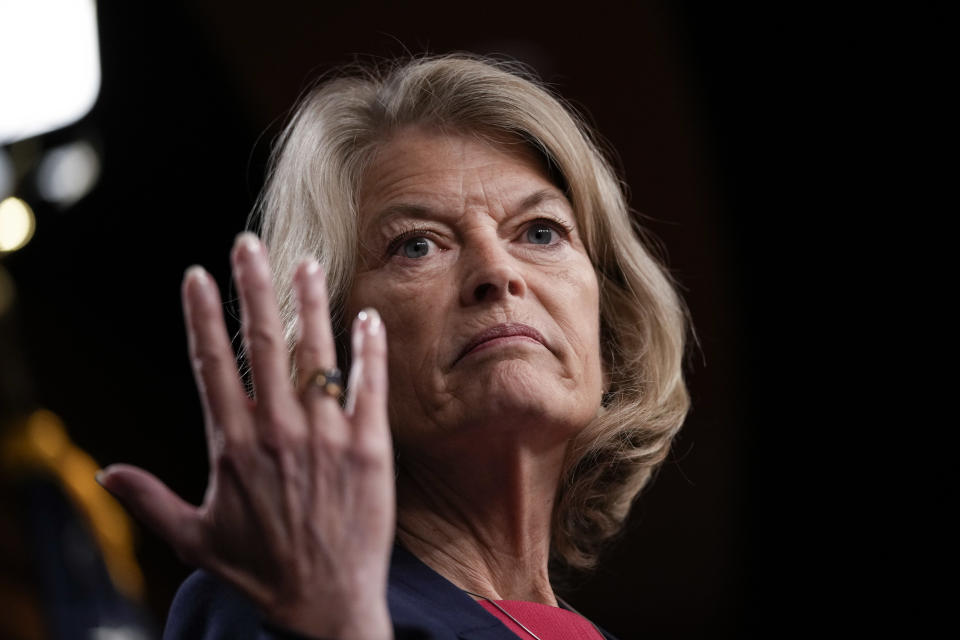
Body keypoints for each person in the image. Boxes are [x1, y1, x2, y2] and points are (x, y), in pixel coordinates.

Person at [98, 54, 690, 639]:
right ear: (332, 352)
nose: (497, 271)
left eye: (541, 232)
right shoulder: (277, 603)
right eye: (416, 246)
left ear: (610, 337)